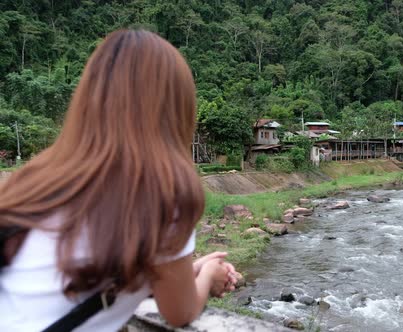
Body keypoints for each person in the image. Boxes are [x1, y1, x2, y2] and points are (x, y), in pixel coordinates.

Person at [0, 29, 237, 331]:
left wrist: (189, 270)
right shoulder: (165, 194)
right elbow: (180, 312)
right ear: (177, 111)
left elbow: (84, 282)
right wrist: (208, 276)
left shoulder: (39, 179)